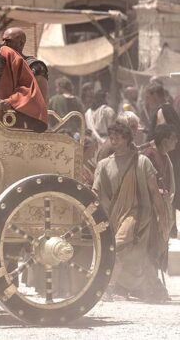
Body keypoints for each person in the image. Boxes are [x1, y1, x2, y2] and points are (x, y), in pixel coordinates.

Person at [93, 122, 169, 302]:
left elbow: (154, 193)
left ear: (127, 139)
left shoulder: (142, 162)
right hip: (114, 216)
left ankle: (108, 287)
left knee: (117, 247)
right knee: (133, 255)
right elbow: (95, 192)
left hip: (137, 215)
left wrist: (163, 218)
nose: (113, 142)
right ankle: (150, 287)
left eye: (117, 138)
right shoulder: (104, 165)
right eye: (111, 138)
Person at [142, 123, 177, 281]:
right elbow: (142, 181)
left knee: (160, 246)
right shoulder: (149, 155)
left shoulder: (165, 157)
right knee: (151, 245)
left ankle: (154, 282)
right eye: (173, 138)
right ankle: (150, 283)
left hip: (162, 207)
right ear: (164, 140)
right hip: (150, 209)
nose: (176, 141)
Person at [144, 83, 180, 236]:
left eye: (148, 96)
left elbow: (162, 133)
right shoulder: (170, 109)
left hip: (163, 156)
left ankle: (166, 228)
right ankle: (171, 229)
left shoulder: (161, 110)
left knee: (163, 189)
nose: (147, 99)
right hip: (172, 155)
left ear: (155, 95)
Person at [2, 27, 49, 101]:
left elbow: (41, 99)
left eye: (8, 41)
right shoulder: (3, 64)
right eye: (3, 41)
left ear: (20, 43)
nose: (4, 45)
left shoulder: (35, 66)